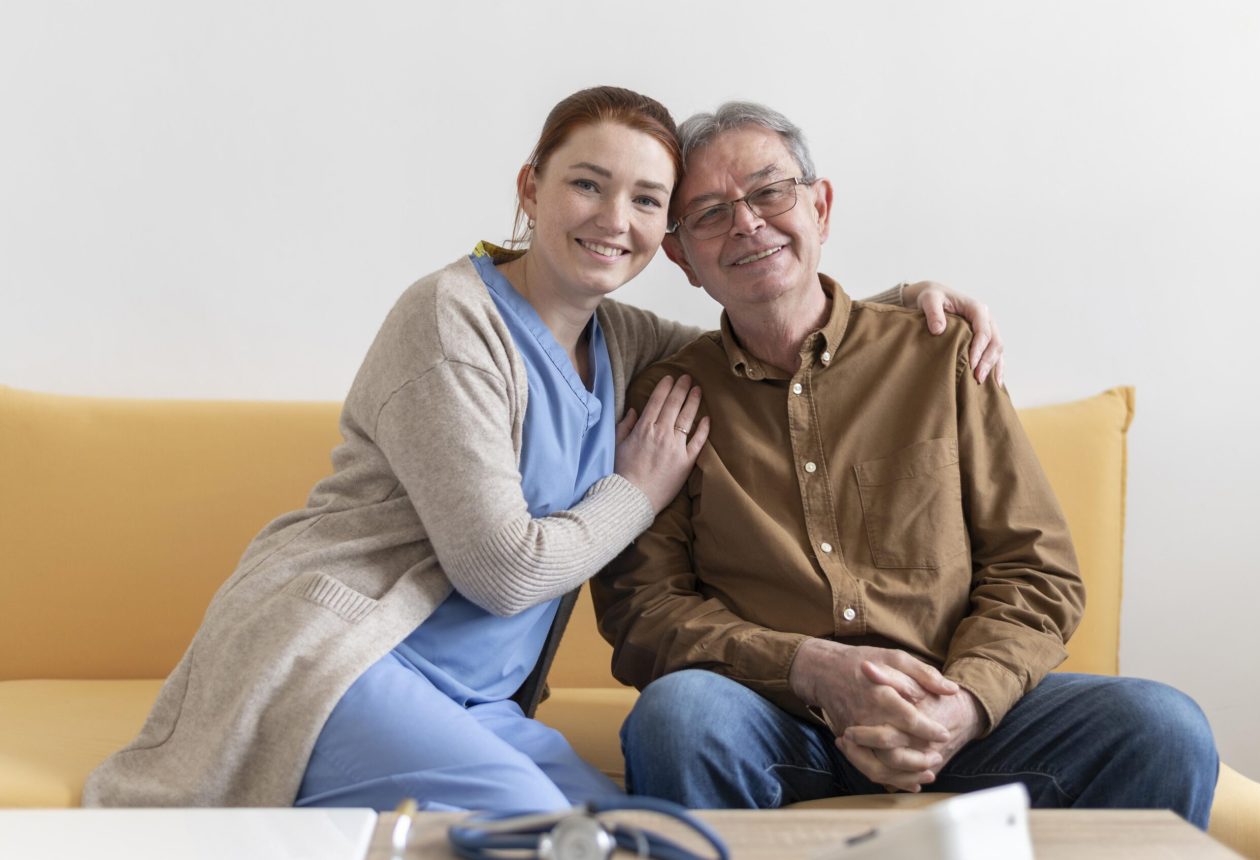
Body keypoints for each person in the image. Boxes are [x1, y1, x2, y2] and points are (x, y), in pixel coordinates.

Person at [82, 87, 1005, 813]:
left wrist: (896, 308)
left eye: (646, 200)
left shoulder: (621, 339)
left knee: (633, 832)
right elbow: (503, 574)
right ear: (530, 188)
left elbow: (761, 322)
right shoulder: (449, 321)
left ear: (668, 238)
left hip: (480, 706)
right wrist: (637, 491)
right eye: (587, 184)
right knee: (541, 829)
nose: (614, 218)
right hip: (343, 660)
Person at [592, 101, 1219, 827]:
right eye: (709, 213)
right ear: (682, 258)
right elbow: (645, 610)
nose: (748, 223)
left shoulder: (940, 353)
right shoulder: (669, 398)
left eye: (770, 192)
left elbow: (1034, 569)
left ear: (821, 207)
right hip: (776, 720)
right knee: (678, 716)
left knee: (1163, 727)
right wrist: (808, 668)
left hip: (962, 717)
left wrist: (967, 701)